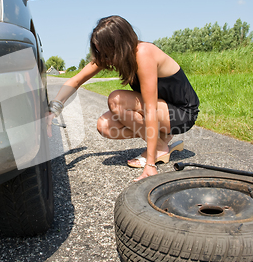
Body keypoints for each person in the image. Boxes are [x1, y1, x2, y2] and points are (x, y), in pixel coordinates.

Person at [48, 15, 199, 181]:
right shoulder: (110, 55)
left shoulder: (143, 54)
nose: (105, 59)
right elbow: (76, 81)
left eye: (106, 53)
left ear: (118, 46)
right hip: (163, 110)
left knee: (116, 99)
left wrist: (150, 165)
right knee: (104, 125)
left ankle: (158, 149)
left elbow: (150, 109)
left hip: (182, 113)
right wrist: (53, 111)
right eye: (99, 52)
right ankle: (161, 142)